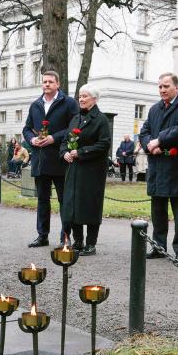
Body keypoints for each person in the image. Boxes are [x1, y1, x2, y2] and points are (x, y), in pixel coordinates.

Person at [140, 73, 178, 262]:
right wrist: (150, 144)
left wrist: (159, 141)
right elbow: (144, 131)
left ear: (177, 88)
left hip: (177, 166)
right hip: (157, 166)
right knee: (158, 210)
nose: (162, 90)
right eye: (160, 87)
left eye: (166, 86)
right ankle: (158, 246)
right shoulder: (154, 108)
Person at [23, 70, 78, 247]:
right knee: (42, 200)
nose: (46, 84)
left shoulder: (68, 103)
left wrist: (53, 138)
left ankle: (66, 237)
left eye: (50, 82)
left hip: (61, 159)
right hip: (40, 160)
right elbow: (27, 128)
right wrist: (32, 139)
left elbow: (74, 127)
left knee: (64, 200)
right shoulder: (35, 105)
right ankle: (42, 236)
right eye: (44, 82)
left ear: (58, 84)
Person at [60, 84, 111, 256]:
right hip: (73, 170)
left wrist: (80, 152)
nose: (81, 99)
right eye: (80, 96)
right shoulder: (75, 119)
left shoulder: (101, 119)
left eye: (85, 96)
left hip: (92, 171)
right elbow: (65, 141)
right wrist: (65, 153)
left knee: (89, 206)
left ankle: (91, 244)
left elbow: (104, 144)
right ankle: (78, 242)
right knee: (74, 206)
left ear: (94, 99)